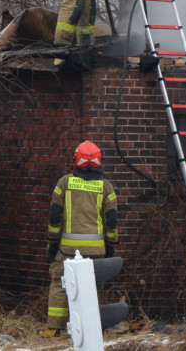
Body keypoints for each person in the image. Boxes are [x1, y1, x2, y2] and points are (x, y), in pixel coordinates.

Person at [39, 140, 119, 337]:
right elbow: (111, 222)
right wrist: (111, 246)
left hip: (66, 248)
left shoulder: (64, 183)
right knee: (90, 286)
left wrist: (52, 242)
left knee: (59, 283)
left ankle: (54, 328)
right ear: (100, 161)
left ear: (76, 160)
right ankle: (88, 327)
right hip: (96, 251)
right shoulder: (106, 187)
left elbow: (55, 217)